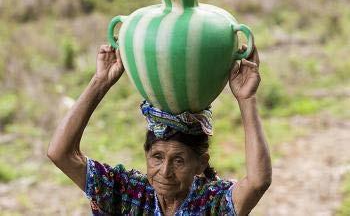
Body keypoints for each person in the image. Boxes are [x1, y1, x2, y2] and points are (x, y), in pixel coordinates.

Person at [47, 44, 271, 215]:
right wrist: (100, 81)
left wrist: (246, 98)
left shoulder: (213, 202)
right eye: (157, 157)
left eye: (179, 160)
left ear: (200, 164)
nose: (165, 172)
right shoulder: (129, 193)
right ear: (146, 155)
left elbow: (258, 182)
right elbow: (61, 154)